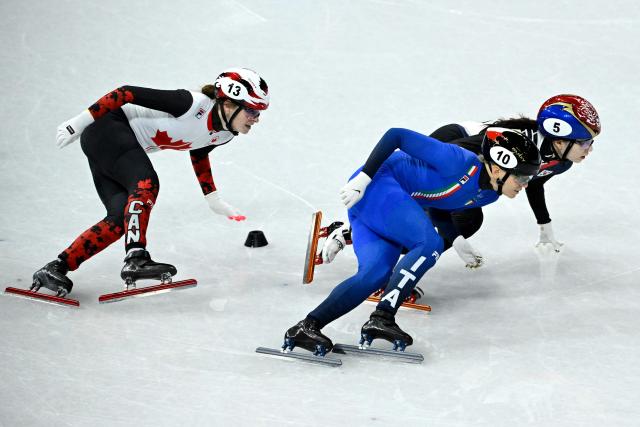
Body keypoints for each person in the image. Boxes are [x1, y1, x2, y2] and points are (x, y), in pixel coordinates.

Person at [283, 126, 542, 355]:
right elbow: (397, 135)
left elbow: (440, 205)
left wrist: (457, 238)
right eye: (522, 177)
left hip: (385, 201)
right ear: (497, 168)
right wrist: (364, 178)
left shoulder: (489, 195)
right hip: (375, 185)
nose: (525, 185)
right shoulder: (458, 161)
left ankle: (307, 327)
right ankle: (383, 317)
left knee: (374, 274)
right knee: (429, 245)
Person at [31, 68, 269, 296]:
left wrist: (212, 198)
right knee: (146, 183)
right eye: (253, 111)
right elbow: (126, 93)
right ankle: (136, 258)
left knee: (120, 219)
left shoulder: (226, 133)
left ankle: (56, 267)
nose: (256, 119)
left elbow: (199, 152)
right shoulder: (191, 104)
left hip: (113, 146)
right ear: (228, 104)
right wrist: (78, 122)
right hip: (107, 128)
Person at [320, 95, 601, 274]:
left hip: (477, 171)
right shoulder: (516, 140)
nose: (589, 149)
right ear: (560, 137)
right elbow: (454, 163)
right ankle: (352, 233)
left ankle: (370, 246)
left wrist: (545, 228)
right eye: (586, 142)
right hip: (455, 144)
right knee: (429, 211)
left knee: (465, 222)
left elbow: (536, 182)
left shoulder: (562, 160)